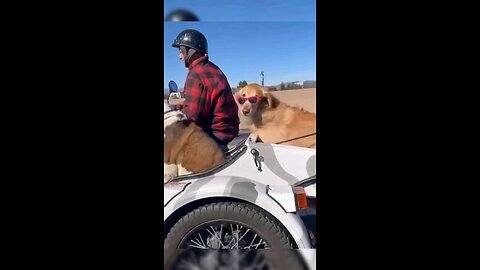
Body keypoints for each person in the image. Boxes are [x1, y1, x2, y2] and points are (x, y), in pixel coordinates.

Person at [171, 29, 240, 149]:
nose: (179, 57)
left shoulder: (196, 74)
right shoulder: (213, 68)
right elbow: (205, 104)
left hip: (213, 138)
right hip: (227, 134)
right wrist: (180, 107)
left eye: (181, 51)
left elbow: (192, 120)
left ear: (190, 51)